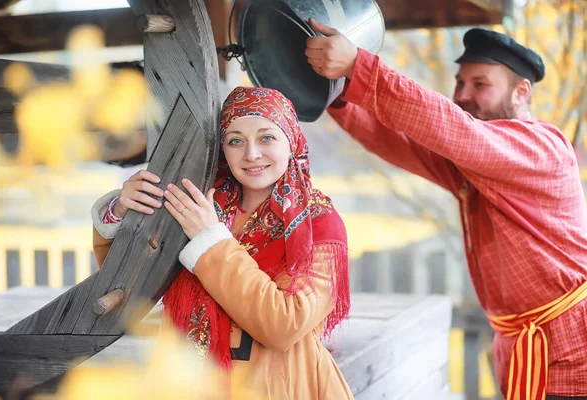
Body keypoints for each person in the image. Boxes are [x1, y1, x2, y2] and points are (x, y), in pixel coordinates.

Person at [305, 19, 587, 400]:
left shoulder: (543, 148)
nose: (464, 94)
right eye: (459, 83)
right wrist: (339, 93)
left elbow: (450, 127)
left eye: (480, 84)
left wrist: (360, 66)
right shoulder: (476, 164)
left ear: (522, 93)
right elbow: (397, 140)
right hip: (520, 347)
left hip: (572, 352)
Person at [90, 86, 354, 399]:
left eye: (267, 137)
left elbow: (285, 323)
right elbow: (125, 286)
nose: (251, 154)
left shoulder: (319, 222)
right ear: (222, 148)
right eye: (235, 140)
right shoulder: (196, 203)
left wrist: (210, 242)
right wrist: (121, 212)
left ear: (292, 139)